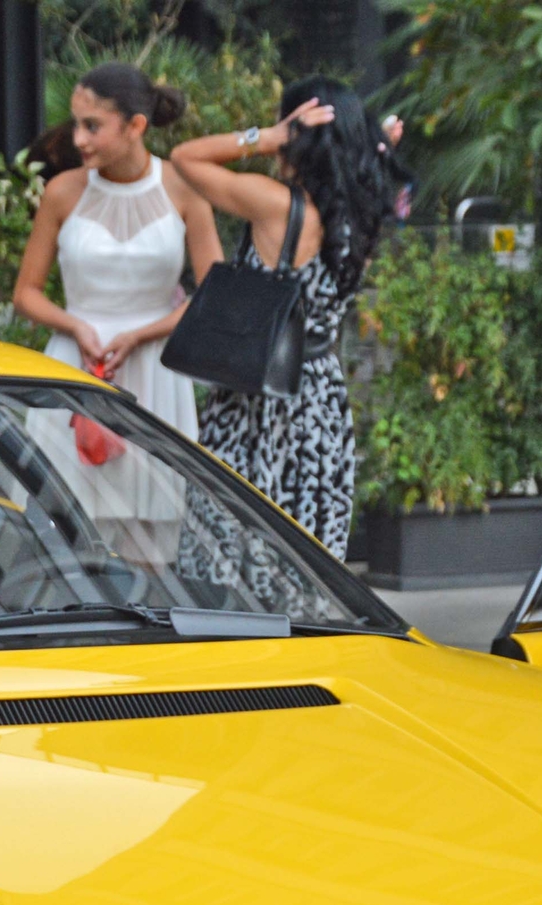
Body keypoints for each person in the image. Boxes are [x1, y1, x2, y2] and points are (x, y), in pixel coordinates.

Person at [171, 81, 402, 558]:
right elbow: (363, 171)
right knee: (307, 538)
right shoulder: (361, 213)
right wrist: (371, 145)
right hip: (319, 392)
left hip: (258, 390)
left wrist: (267, 137)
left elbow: (185, 157)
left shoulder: (275, 204)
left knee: (238, 540)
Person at [12, 64, 220, 440]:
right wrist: (74, 326)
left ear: (135, 126)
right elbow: (26, 292)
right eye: (76, 124)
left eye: (92, 126)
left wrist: (141, 335)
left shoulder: (184, 187)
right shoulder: (62, 191)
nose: (78, 139)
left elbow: (213, 295)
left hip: (156, 367)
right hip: (75, 361)